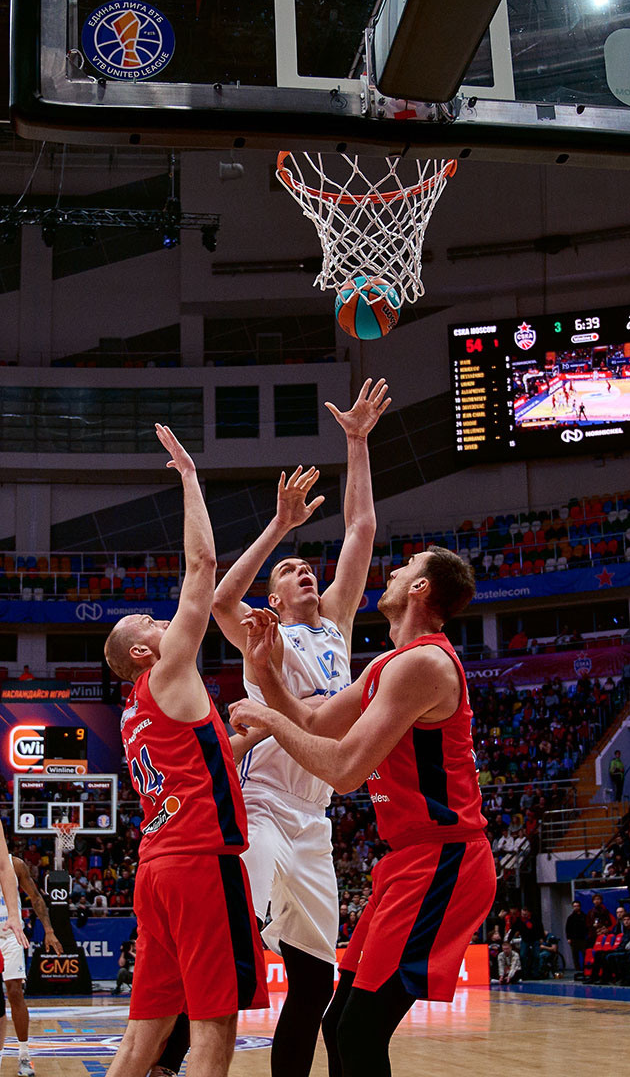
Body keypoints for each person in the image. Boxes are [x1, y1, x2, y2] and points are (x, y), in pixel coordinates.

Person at [231, 546, 497, 1077]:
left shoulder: (425, 662)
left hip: (444, 859)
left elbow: (344, 768)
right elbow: (315, 719)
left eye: (406, 569)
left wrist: (266, 718)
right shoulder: (384, 664)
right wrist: (266, 674)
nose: (394, 572)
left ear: (419, 590)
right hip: (406, 861)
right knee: (338, 1025)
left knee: (358, 1030)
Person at [212, 378, 390, 1077]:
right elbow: (224, 597)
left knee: (316, 982)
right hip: (261, 809)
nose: (303, 573)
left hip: (315, 822)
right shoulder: (267, 636)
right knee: (233, 948)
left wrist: (356, 442)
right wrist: (279, 529)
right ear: (276, 598)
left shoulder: (338, 629)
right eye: (290, 572)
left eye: (304, 567)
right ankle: (167, 1058)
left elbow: (362, 530)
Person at [103, 425, 268, 1077]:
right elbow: (201, 568)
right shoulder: (167, 669)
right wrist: (190, 477)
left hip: (157, 872)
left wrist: (251, 737)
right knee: (213, 1032)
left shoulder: (137, 713)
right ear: (142, 652)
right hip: (201, 863)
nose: (160, 617)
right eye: (147, 623)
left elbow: (192, 764)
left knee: (142, 1042)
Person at [0, 855, 61, 1076]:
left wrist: (49, 930)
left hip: (11, 935)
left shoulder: (14, 864)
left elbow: (35, 897)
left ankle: (24, 1055)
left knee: (15, 992)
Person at [566, 899, 588, 972]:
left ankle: (586, 969)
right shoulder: (570, 918)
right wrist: (568, 938)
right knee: (575, 956)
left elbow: (587, 927)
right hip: (574, 939)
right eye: (574, 906)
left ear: (580, 907)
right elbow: (567, 928)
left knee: (585, 954)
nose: (576, 907)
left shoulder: (584, 916)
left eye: (577, 906)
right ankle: (577, 970)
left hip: (582, 939)